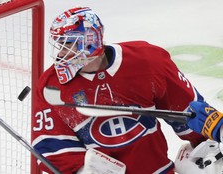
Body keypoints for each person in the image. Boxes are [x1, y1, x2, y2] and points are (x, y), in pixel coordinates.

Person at [32, 7, 207, 174]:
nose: (61, 54)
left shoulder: (146, 60)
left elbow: (188, 111)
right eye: (59, 45)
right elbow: (51, 143)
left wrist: (207, 146)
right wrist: (81, 170)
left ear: (90, 42)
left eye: (68, 44)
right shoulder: (52, 86)